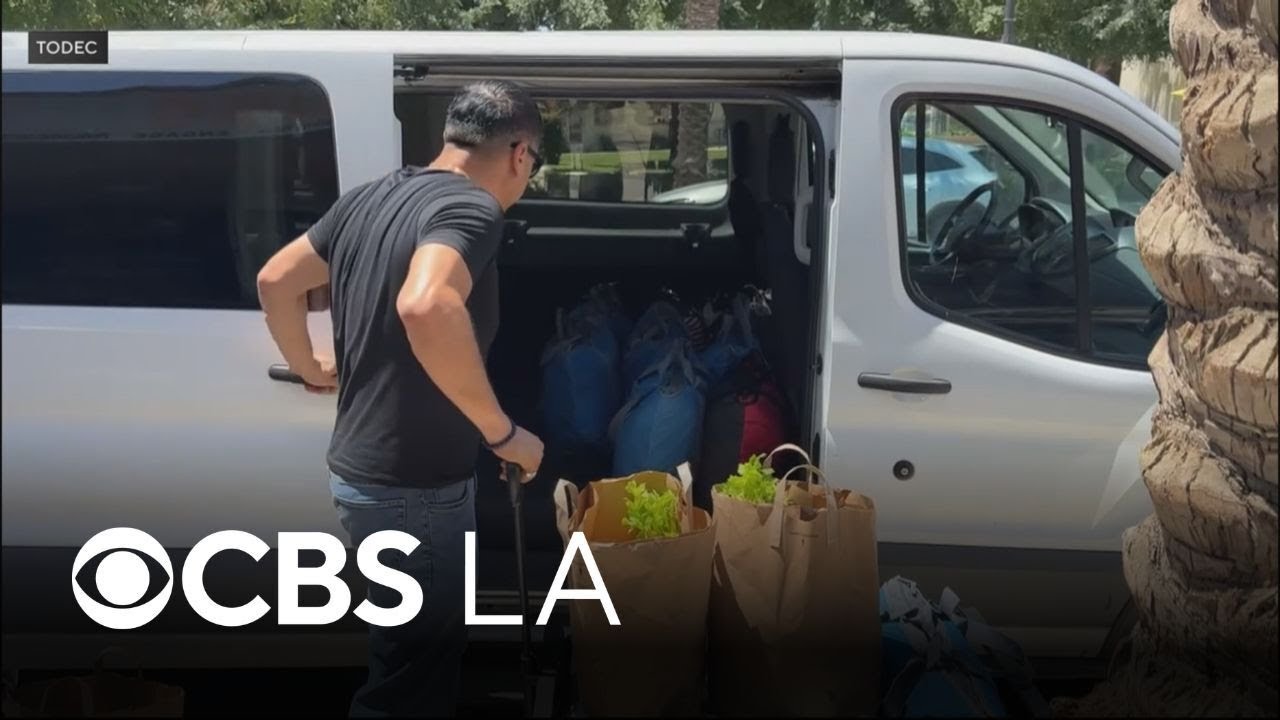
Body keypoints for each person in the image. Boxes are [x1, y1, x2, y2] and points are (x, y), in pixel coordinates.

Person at [256, 80, 546, 717]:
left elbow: (276, 280)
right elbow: (425, 303)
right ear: (520, 153)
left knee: (407, 659)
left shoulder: (369, 198)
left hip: (368, 475)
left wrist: (311, 367)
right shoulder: (470, 210)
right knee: (410, 680)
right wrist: (501, 433)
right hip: (416, 491)